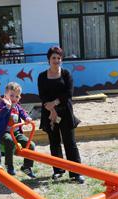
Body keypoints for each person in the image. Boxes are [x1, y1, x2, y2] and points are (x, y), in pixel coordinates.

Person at [37, 46, 85, 184]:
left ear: (61, 60)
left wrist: (55, 103)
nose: (56, 60)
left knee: (70, 142)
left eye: (59, 58)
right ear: (49, 60)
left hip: (65, 112)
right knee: (54, 142)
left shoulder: (66, 74)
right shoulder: (41, 76)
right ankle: (58, 171)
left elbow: (69, 93)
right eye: (53, 58)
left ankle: (76, 173)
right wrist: (50, 108)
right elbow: (42, 95)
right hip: (49, 113)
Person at [0, 82, 37, 178]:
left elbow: (22, 112)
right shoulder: (2, 105)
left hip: (16, 132)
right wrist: (7, 108)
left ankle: (26, 166)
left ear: (20, 97)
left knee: (31, 144)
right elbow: (0, 115)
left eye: (17, 96)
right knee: (9, 141)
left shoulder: (17, 106)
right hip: (4, 132)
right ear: (5, 95)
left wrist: (27, 118)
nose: (14, 99)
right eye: (11, 96)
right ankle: (9, 165)